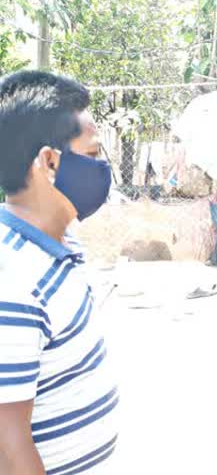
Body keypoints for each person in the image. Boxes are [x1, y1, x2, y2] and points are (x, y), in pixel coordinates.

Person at [0, 71, 118, 474]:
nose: (103, 168)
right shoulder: (12, 279)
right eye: (93, 154)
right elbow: (7, 446)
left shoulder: (63, 243)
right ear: (49, 163)